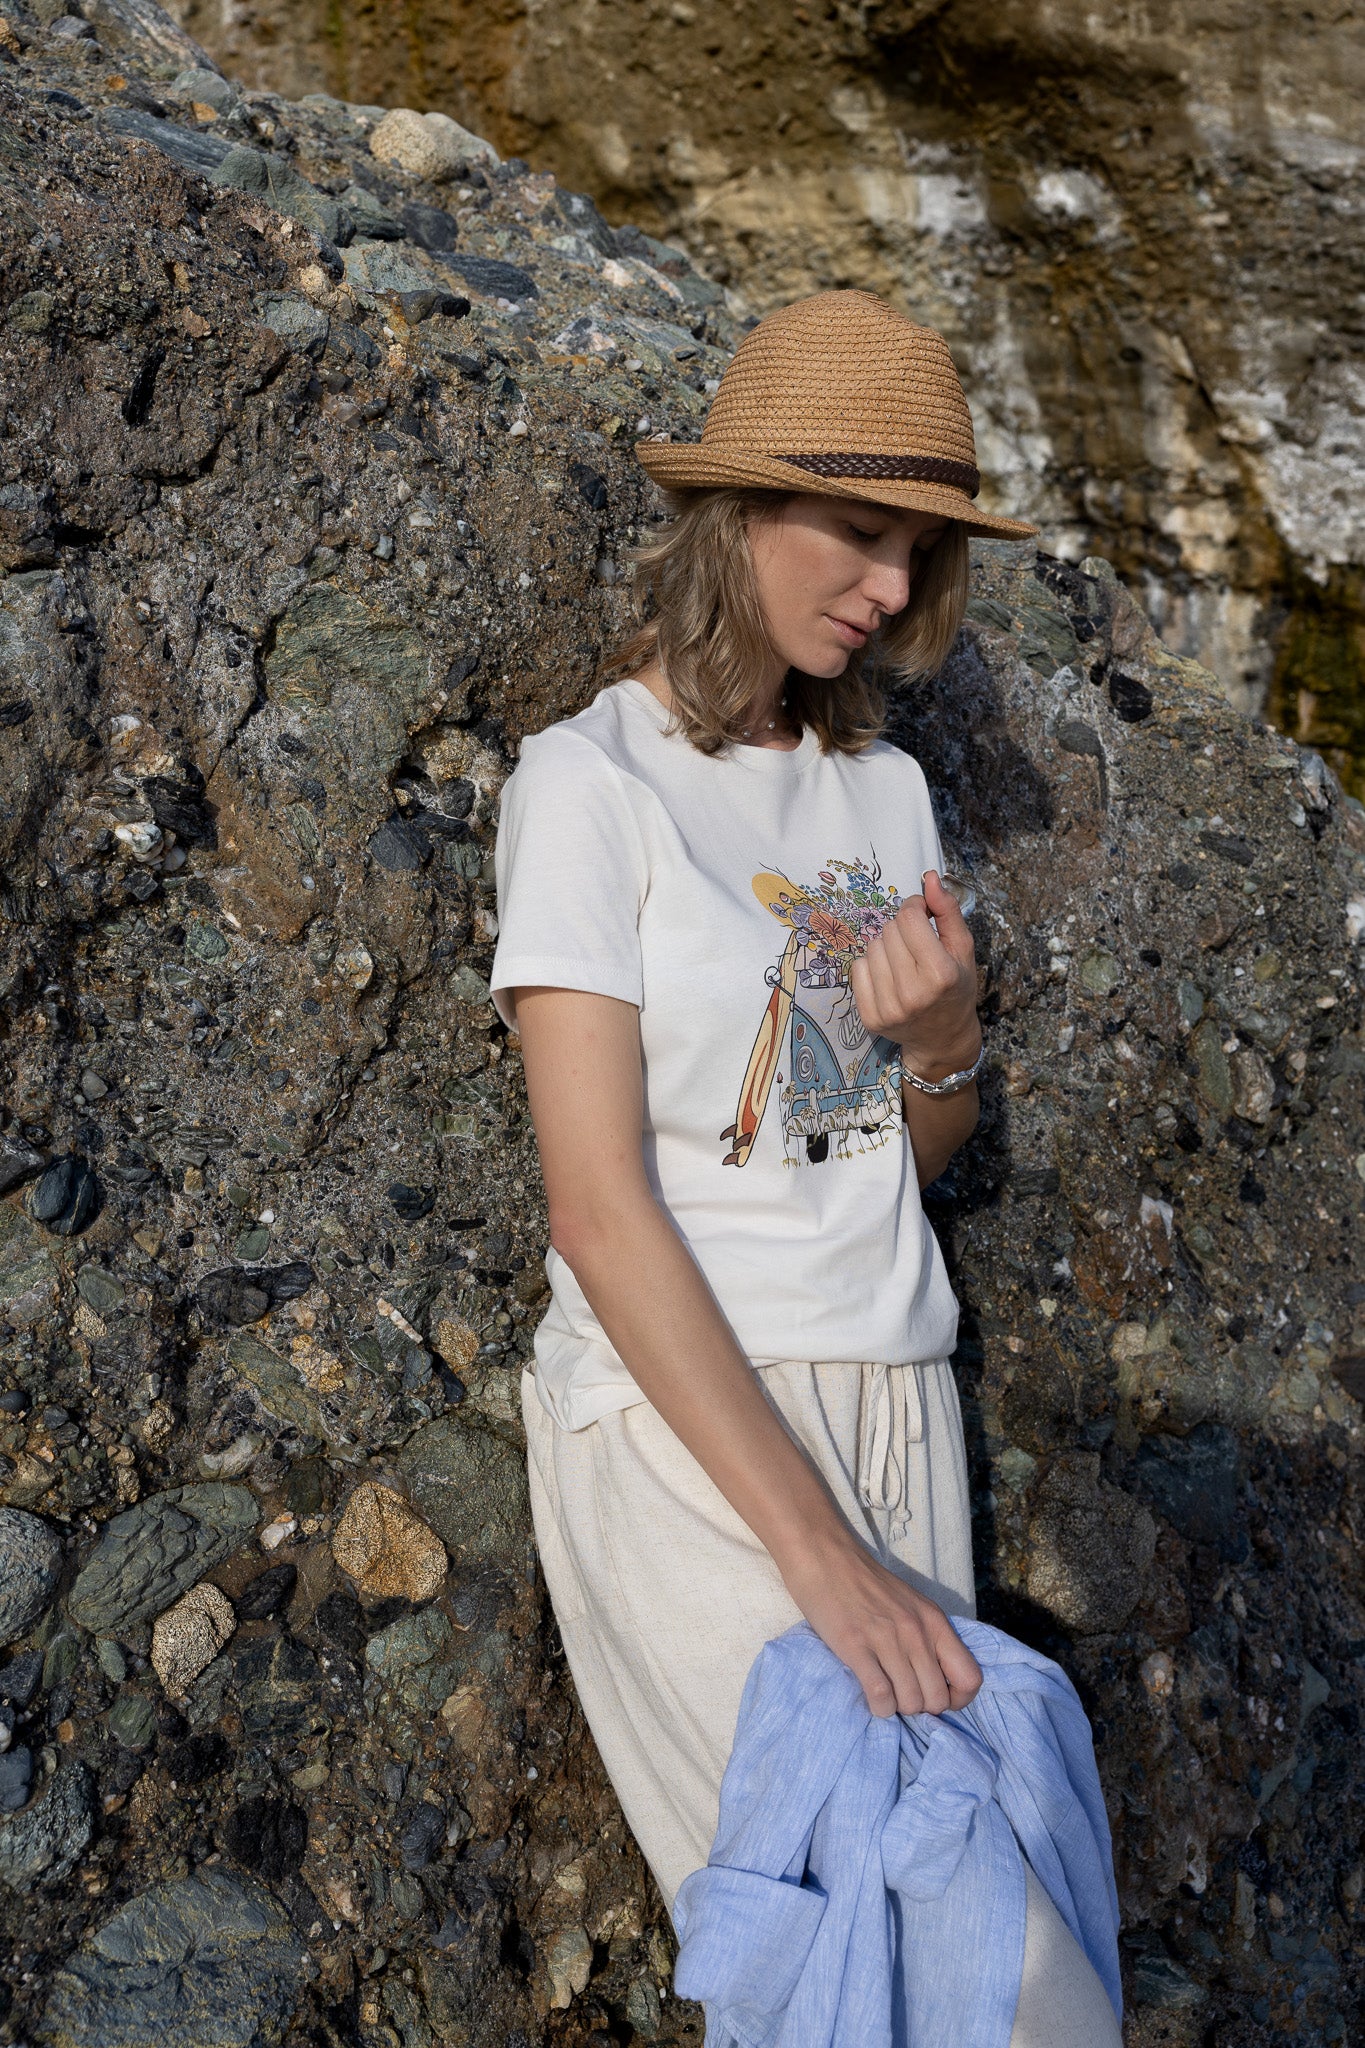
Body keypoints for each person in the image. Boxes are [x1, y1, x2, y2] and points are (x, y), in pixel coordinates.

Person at [490, 290, 1123, 2044]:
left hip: (891, 1392)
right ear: (740, 514)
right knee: (887, 1955)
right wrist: (822, 1565)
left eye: (917, 552)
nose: (892, 589)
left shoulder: (883, 799)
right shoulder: (586, 785)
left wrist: (942, 1052)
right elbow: (598, 1209)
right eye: (858, 534)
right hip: (691, 1426)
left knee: (946, 1942)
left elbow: (891, 1163)